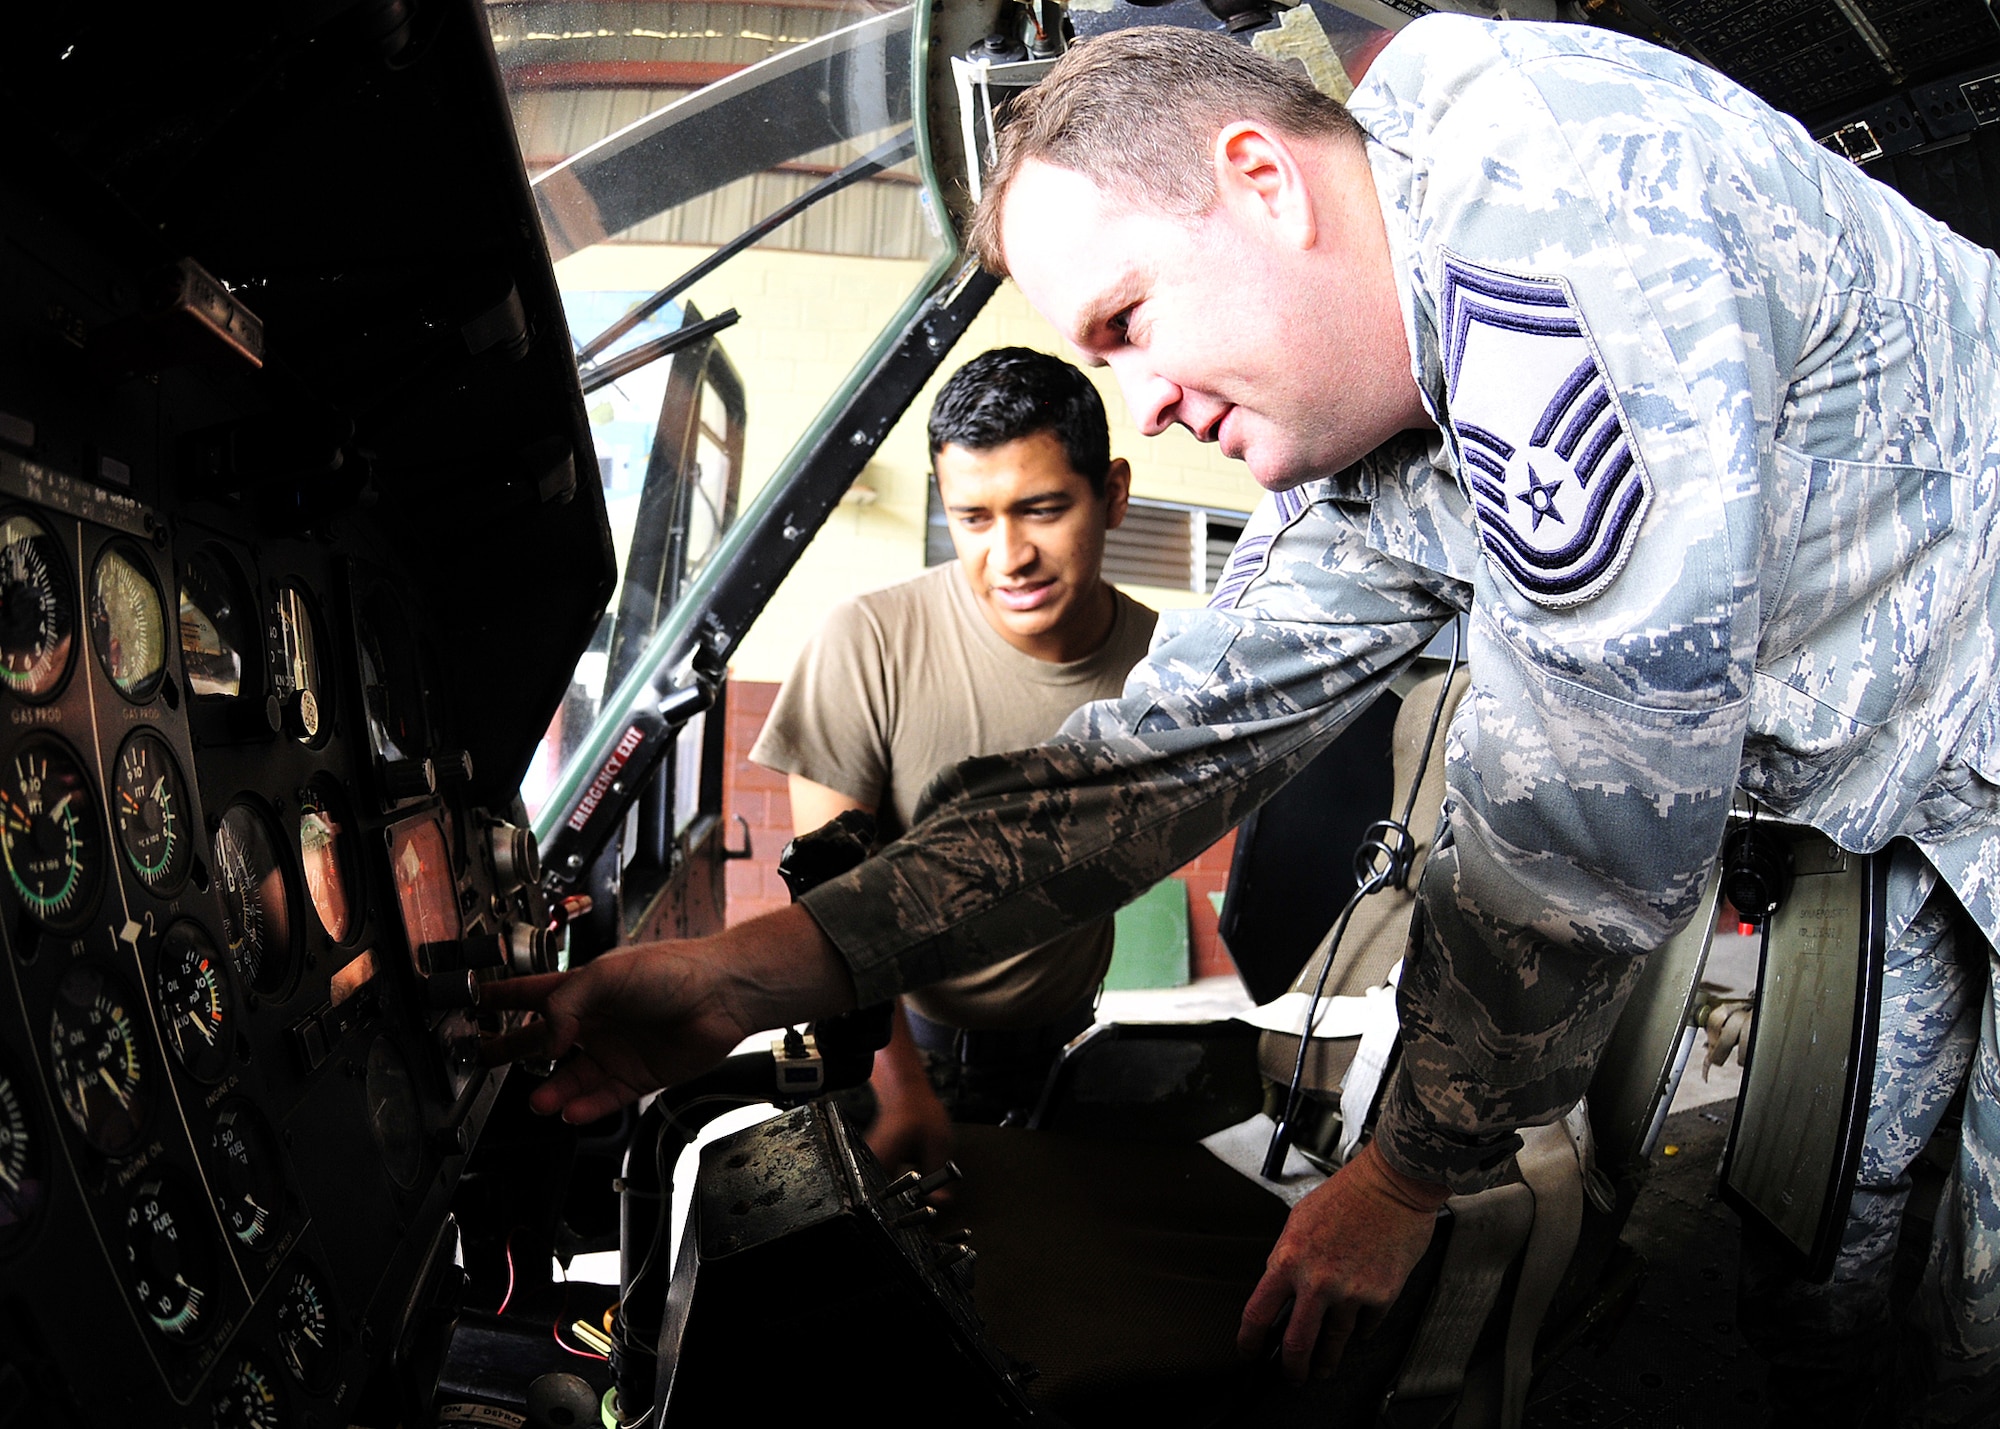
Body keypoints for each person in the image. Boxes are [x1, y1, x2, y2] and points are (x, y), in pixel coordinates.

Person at [487, 16, 2000, 1418]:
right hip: (1900, 783)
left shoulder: (1550, 226)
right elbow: (1141, 769)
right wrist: (753, 972)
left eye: (1132, 319)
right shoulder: (1382, 425)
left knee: (1986, 1306)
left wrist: (1407, 1175)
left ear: (1263, 180)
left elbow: (1592, 809)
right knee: (1837, 1274)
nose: (1139, 406)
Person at [748, 346, 1155, 1174]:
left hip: (1072, 1049)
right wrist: (902, 1093)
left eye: (1042, 510)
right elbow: (832, 910)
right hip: (896, 1060)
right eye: (973, 518)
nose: (1008, 556)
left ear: (1111, 494)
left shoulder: (1166, 666)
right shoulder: (865, 644)